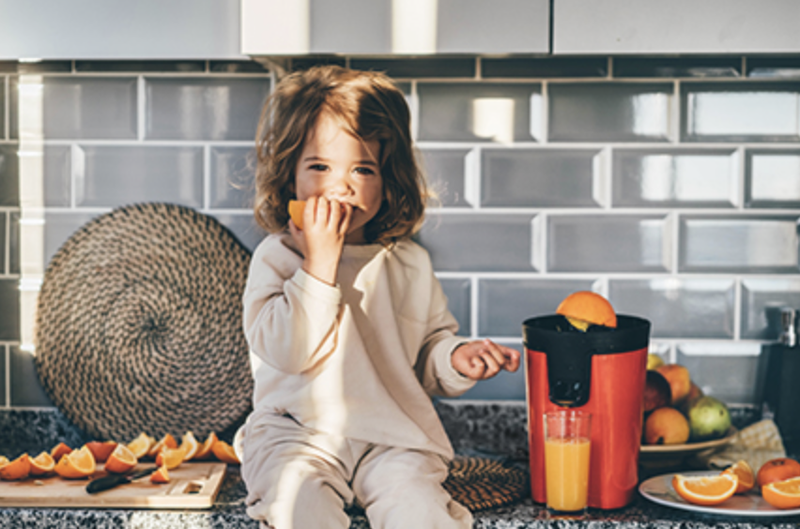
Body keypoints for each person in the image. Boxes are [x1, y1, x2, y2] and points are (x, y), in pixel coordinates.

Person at [237, 65, 520, 529]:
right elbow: (288, 351)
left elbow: (426, 353)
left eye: (362, 168)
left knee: (419, 508)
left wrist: (456, 357)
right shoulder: (279, 258)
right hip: (295, 433)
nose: (342, 184)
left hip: (390, 437)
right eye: (320, 167)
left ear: (388, 179)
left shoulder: (407, 263)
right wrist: (319, 263)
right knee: (297, 502)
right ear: (291, 176)